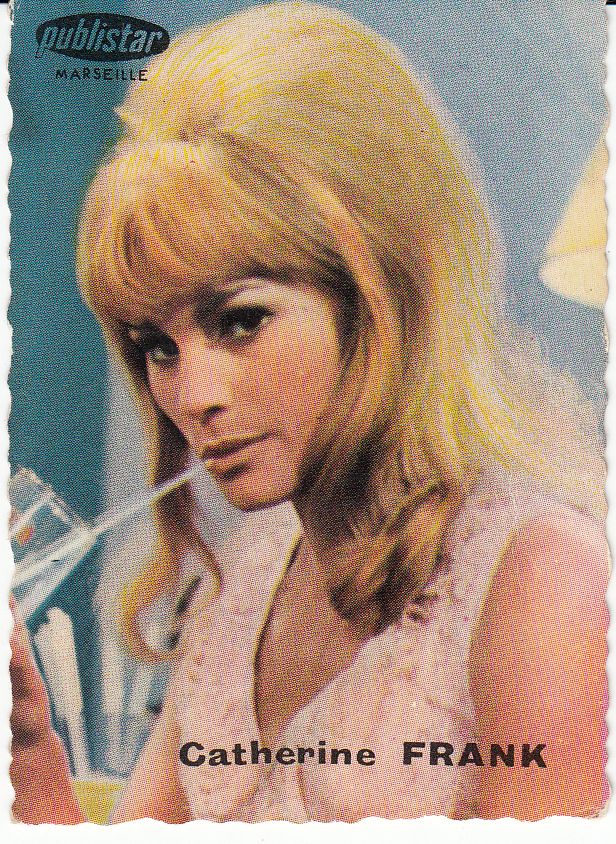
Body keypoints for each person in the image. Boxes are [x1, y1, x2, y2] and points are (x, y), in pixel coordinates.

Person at [10, 1, 608, 823]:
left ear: (382, 298)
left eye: (240, 321)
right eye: (156, 345)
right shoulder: (244, 590)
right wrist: (27, 749)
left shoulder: (539, 577)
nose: (193, 395)